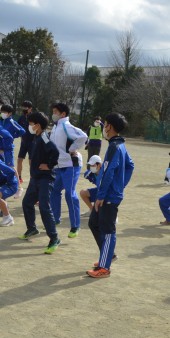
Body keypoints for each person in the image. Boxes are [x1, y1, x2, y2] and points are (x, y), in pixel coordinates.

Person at [87, 112, 135, 278]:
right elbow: (130, 166)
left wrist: (102, 195)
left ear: (110, 126)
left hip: (107, 197)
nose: (103, 128)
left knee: (107, 231)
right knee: (93, 223)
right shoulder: (118, 145)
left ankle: (104, 268)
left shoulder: (115, 147)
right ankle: (108, 255)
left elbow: (108, 173)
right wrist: (119, 186)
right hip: (108, 194)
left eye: (105, 124)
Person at [19, 112, 61, 254]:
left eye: (31, 124)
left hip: (45, 178)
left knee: (44, 207)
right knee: (27, 203)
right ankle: (32, 229)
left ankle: (54, 238)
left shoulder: (43, 136)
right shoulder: (36, 137)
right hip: (35, 178)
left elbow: (55, 152)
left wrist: (49, 165)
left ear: (38, 125)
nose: (29, 126)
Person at [49, 102, 88, 238]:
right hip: (59, 166)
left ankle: (75, 225)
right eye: (53, 111)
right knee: (54, 191)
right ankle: (55, 218)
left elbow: (83, 136)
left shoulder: (66, 125)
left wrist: (72, 149)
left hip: (71, 165)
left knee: (69, 194)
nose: (53, 114)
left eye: (55, 111)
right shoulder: (55, 127)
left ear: (63, 114)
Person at [0, 103, 26, 198]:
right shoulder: (0, 121)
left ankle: (19, 188)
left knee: (11, 167)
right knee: (2, 167)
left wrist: (11, 136)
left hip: (8, 148)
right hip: (0, 148)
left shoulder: (11, 122)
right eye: (2, 111)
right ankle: (8, 185)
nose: (3, 113)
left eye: (5, 112)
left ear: (10, 113)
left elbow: (22, 130)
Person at [16, 101, 34, 184]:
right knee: (19, 160)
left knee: (31, 162)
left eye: (26, 107)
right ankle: (19, 177)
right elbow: (19, 129)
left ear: (30, 108)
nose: (24, 109)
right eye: (23, 107)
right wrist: (21, 139)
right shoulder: (21, 118)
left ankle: (32, 178)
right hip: (23, 143)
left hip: (32, 143)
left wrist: (35, 140)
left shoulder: (34, 118)